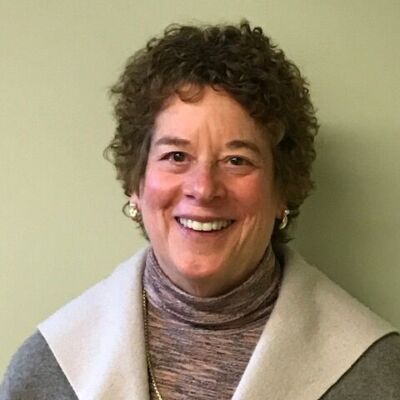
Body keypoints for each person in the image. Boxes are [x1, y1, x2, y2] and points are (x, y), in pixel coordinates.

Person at [1, 20, 399, 400]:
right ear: (135, 185)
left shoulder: (374, 372)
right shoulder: (49, 370)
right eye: (176, 155)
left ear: (283, 191)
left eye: (237, 160)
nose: (203, 189)